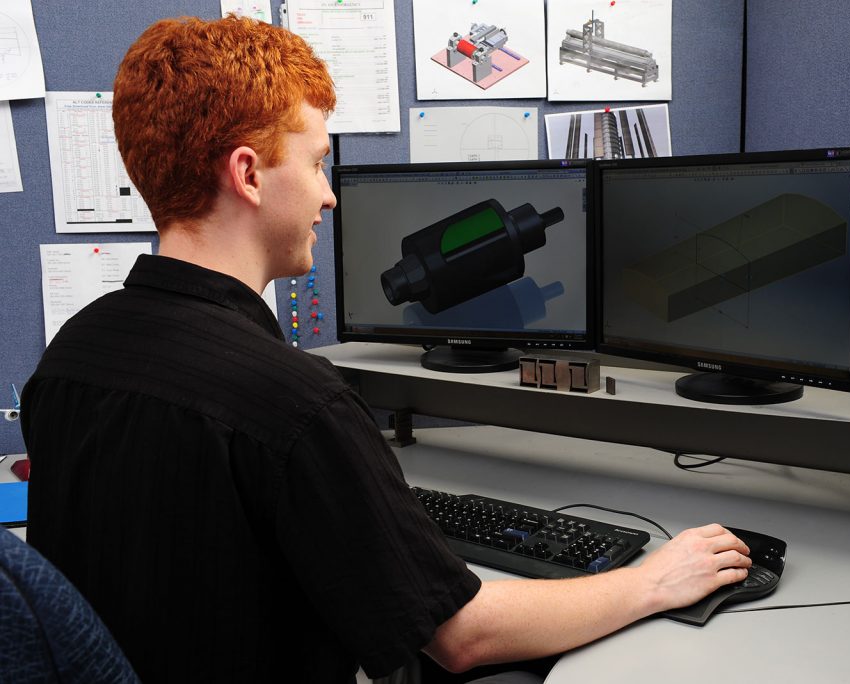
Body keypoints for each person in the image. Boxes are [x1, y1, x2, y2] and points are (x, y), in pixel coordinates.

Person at [20, 15, 751, 684]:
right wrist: (655, 580)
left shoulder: (70, 357)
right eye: (316, 164)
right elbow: (460, 636)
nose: (328, 196)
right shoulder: (296, 405)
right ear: (247, 175)